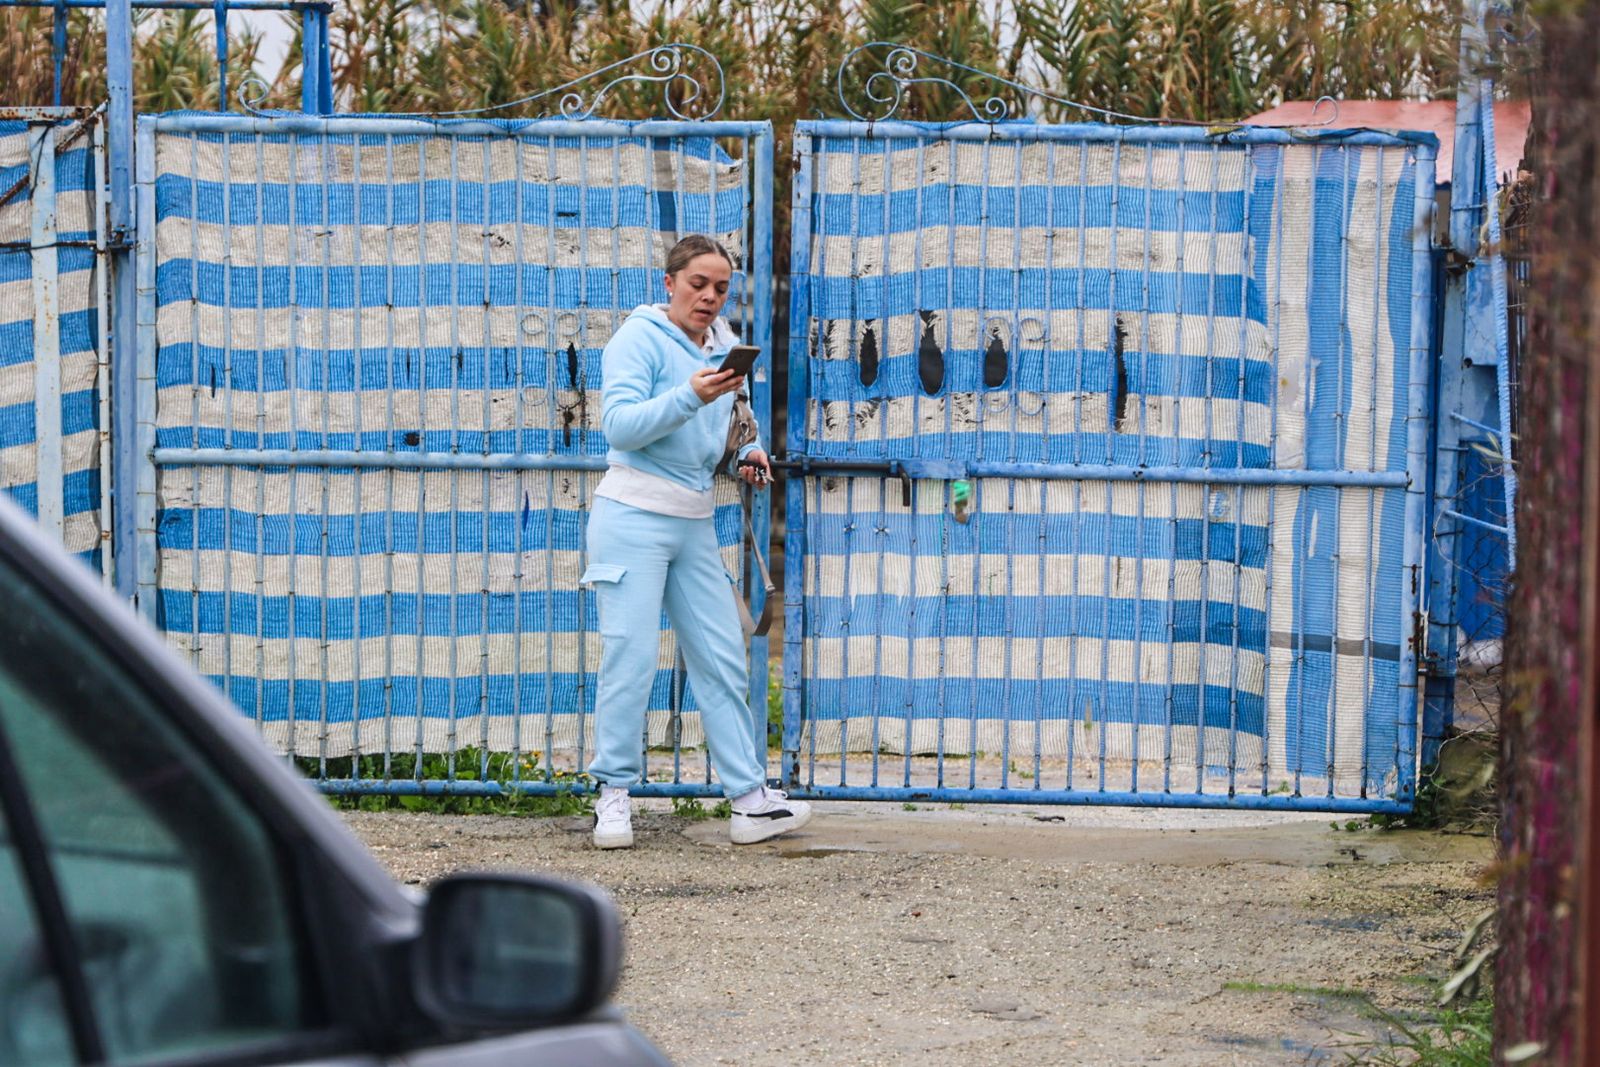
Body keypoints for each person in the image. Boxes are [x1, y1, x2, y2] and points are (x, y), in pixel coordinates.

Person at [581, 234, 812, 849]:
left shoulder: (726, 343)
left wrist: (749, 451)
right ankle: (613, 798)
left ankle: (749, 801)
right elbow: (620, 427)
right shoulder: (638, 338)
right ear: (669, 283)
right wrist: (688, 396)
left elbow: (733, 420)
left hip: (693, 518)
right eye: (698, 285)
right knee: (629, 659)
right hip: (631, 512)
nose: (709, 297)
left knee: (721, 654)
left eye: (719, 288)